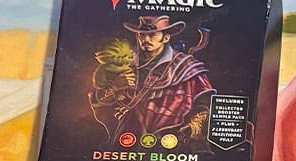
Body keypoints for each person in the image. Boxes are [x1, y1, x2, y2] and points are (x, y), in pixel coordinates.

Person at [90, 16, 214, 145]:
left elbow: (205, 102)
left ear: (166, 38)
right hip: (130, 135)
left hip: (170, 136)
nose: (146, 39)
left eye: (152, 35)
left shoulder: (184, 65)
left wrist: (193, 127)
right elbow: (101, 99)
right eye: (142, 35)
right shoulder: (126, 61)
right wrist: (116, 88)